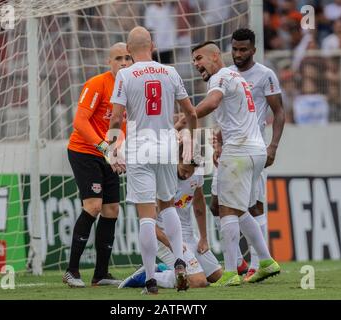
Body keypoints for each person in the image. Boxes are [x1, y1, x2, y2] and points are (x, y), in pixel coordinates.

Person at [107, 26, 198, 294]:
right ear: (153, 46)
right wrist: (190, 141)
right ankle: (180, 261)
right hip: (167, 146)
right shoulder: (170, 72)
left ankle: (150, 279)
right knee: (168, 206)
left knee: (146, 216)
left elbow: (115, 118)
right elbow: (190, 112)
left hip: (139, 148)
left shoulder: (125, 74)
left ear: (128, 49)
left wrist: (112, 150)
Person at [192, 41, 280, 285]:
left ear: (215, 56)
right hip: (255, 150)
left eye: (199, 58)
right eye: (194, 61)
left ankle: (231, 272)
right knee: (240, 209)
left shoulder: (219, 77)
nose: (196, 64)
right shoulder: (237, 77)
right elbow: (236, 115)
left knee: (226, 209)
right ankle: (265, 260)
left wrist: (184, 118)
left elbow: (212, 103)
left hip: (239, 151)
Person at [62, 42, 133, 288]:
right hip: (85, 151)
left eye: (128, 58)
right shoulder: (97, 84)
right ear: (109, 62)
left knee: (112, 209)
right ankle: (72, 271)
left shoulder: (132, 86)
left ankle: (100, 274)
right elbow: (79, 122)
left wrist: (118, 151)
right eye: (118, 58)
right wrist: (104, 148)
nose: (124, 63)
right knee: (93, 205)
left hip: (110, 153)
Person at [119, 147, 223, 289]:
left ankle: (161, 269)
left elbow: (199, 204)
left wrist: (204, 238)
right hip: (164, 237)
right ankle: (147, 277)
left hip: (188, 235)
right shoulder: (160, 178)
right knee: (198, 282)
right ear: (177, 160)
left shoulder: (196, 173)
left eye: (190, 171)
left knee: (216, 276)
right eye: (184, 169)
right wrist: (171, 244)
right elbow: (148, 223)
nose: (187, 175)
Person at [228, 28, 285, 280]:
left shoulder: (265, 75)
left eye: (243, 50)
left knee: (255, 204)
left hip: (254, 148)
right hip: (231, 149)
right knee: (224, 206)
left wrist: (273, 146)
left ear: (253, 50)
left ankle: (255, 264)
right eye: (234, 49)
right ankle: (244, 261)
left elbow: (279, 112)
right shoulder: (227, 75)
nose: (238, 54)